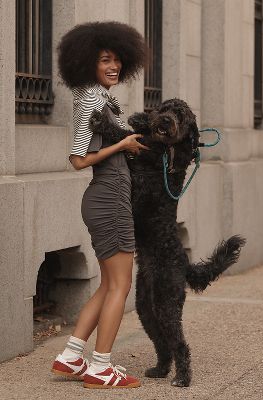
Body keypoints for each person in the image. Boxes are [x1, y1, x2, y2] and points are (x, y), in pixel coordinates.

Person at [51, 21, 149, 389]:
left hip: (109, 197)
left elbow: (109, 146)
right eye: (104, 59)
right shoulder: (91, 98)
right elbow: (78, 158)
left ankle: (72, 355)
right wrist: (122, 146)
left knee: (109, 283)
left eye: (118, 60)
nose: (114, 66)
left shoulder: (100, 97)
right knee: (121, 286)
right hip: (107, 200)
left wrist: (132, 146)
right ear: (86, 62)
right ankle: (101, 366)